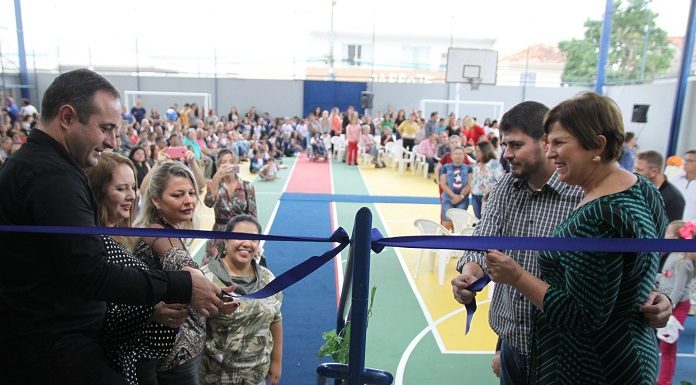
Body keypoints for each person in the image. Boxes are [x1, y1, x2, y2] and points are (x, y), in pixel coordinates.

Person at [0, 69, 231, 385]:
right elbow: (91, 273)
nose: (111, 140)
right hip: (52, 348)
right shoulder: (51, 178)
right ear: (67, 117)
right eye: (105, 128)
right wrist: (183, 285)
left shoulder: (42, 167)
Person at [451, 100, 672, 385]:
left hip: (575, 356)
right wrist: (471, 270)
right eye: (504, 144)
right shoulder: (507, 187)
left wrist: (661, 294)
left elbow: (590, 305)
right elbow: (484, 241)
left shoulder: (592, 203)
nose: (507, 154)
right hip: (516, 343)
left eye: (516, 145)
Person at [86, 152, 186, 385]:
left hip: (130, 357)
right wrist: (152, 311)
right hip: (107, 365)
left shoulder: (121, 236)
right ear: (98, 191)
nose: (131, 196)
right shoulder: (94, 244)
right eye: (121, 189)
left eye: (132, 187)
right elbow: (99, 319)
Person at [133, 161, 226, 385]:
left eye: (192, 193)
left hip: (179, 348)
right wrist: (215, 293)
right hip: (171, 353)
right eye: (178, 195)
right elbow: (180, 263)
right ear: (156, 200)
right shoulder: (157, 233)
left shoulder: (168, 229)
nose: (189, 201)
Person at [199, 215, 283, 385]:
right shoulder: (205, 279)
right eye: (239, 236)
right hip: (215, 377)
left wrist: (276, 363)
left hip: (255, 376)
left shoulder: (268, 279)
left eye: (253, 239)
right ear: (225, 240)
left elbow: (275, 320)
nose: (246, 243)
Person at [657, 220, 695, 385]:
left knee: (667, 345)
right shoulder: (673, 255)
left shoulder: (683, 261)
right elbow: (666, 277)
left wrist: (669, 307)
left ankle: (665, 381)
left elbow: (678, 290)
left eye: (668, 234)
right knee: (666, 345)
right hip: (670, 303)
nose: (665, 237)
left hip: (677, 306)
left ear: (676, 238)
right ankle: (664, 379)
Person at [204, 149, 257, 265]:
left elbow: (253, 217)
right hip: (218, 236)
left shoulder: (247, 186)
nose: (228, 164)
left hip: (240, 235)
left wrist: (256, 242)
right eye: (223, 162)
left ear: (236, 164)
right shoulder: (213, 185)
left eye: (231, 161)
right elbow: (208, 203)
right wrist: (216, 177)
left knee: (238, 270)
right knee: (213, 271)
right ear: (218, 165)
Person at [634, 150, 685, 222]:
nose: (634, 172)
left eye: (639, 170)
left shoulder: (674, 198)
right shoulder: (637, 188)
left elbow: (670, 230)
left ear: (654, 172)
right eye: (635, 168)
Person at [439, 146, 472, 231]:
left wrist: (460, 196)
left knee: (458, 224)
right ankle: (444, 242)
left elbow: (469, 184)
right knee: (446, 223)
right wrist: (454, 196)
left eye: (460, 154)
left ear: (464, 156)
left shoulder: (469, 168)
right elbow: (443, 184)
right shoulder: (445, 167)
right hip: (447, 199)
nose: (458, 155)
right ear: (452, 156)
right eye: (456, 153)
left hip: (463, 200)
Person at [470, 140, 504, 219]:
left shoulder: (494, 164)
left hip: (489, 199)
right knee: (478, 221)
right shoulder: (476, 165)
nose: (476, 153)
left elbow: (501, 180)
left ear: (485, 151)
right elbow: (473, 181)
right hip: (475, 197)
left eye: (478, 151)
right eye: (475, 150)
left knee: (487, 221)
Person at [672, 149, 696, 220]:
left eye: (690, 161)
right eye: (685, 160)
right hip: (670, 226)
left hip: (691, 228)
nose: (686, 163)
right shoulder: (675, 180)